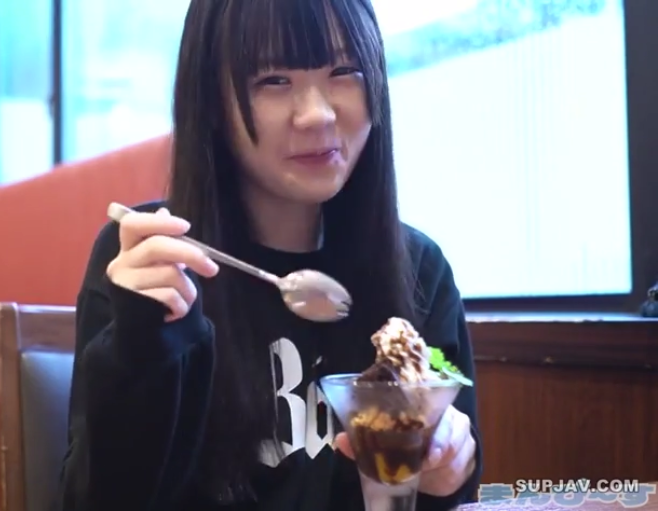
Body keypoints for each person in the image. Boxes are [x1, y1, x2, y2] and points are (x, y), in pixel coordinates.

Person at [55, 0, 482, 509]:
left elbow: (450, 475)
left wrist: (449, 468)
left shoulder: (420, 271)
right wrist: (139, 345)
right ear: (211, 103)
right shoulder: (155, 264)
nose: (318, 114)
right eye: (274, 81)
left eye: (345, 71)